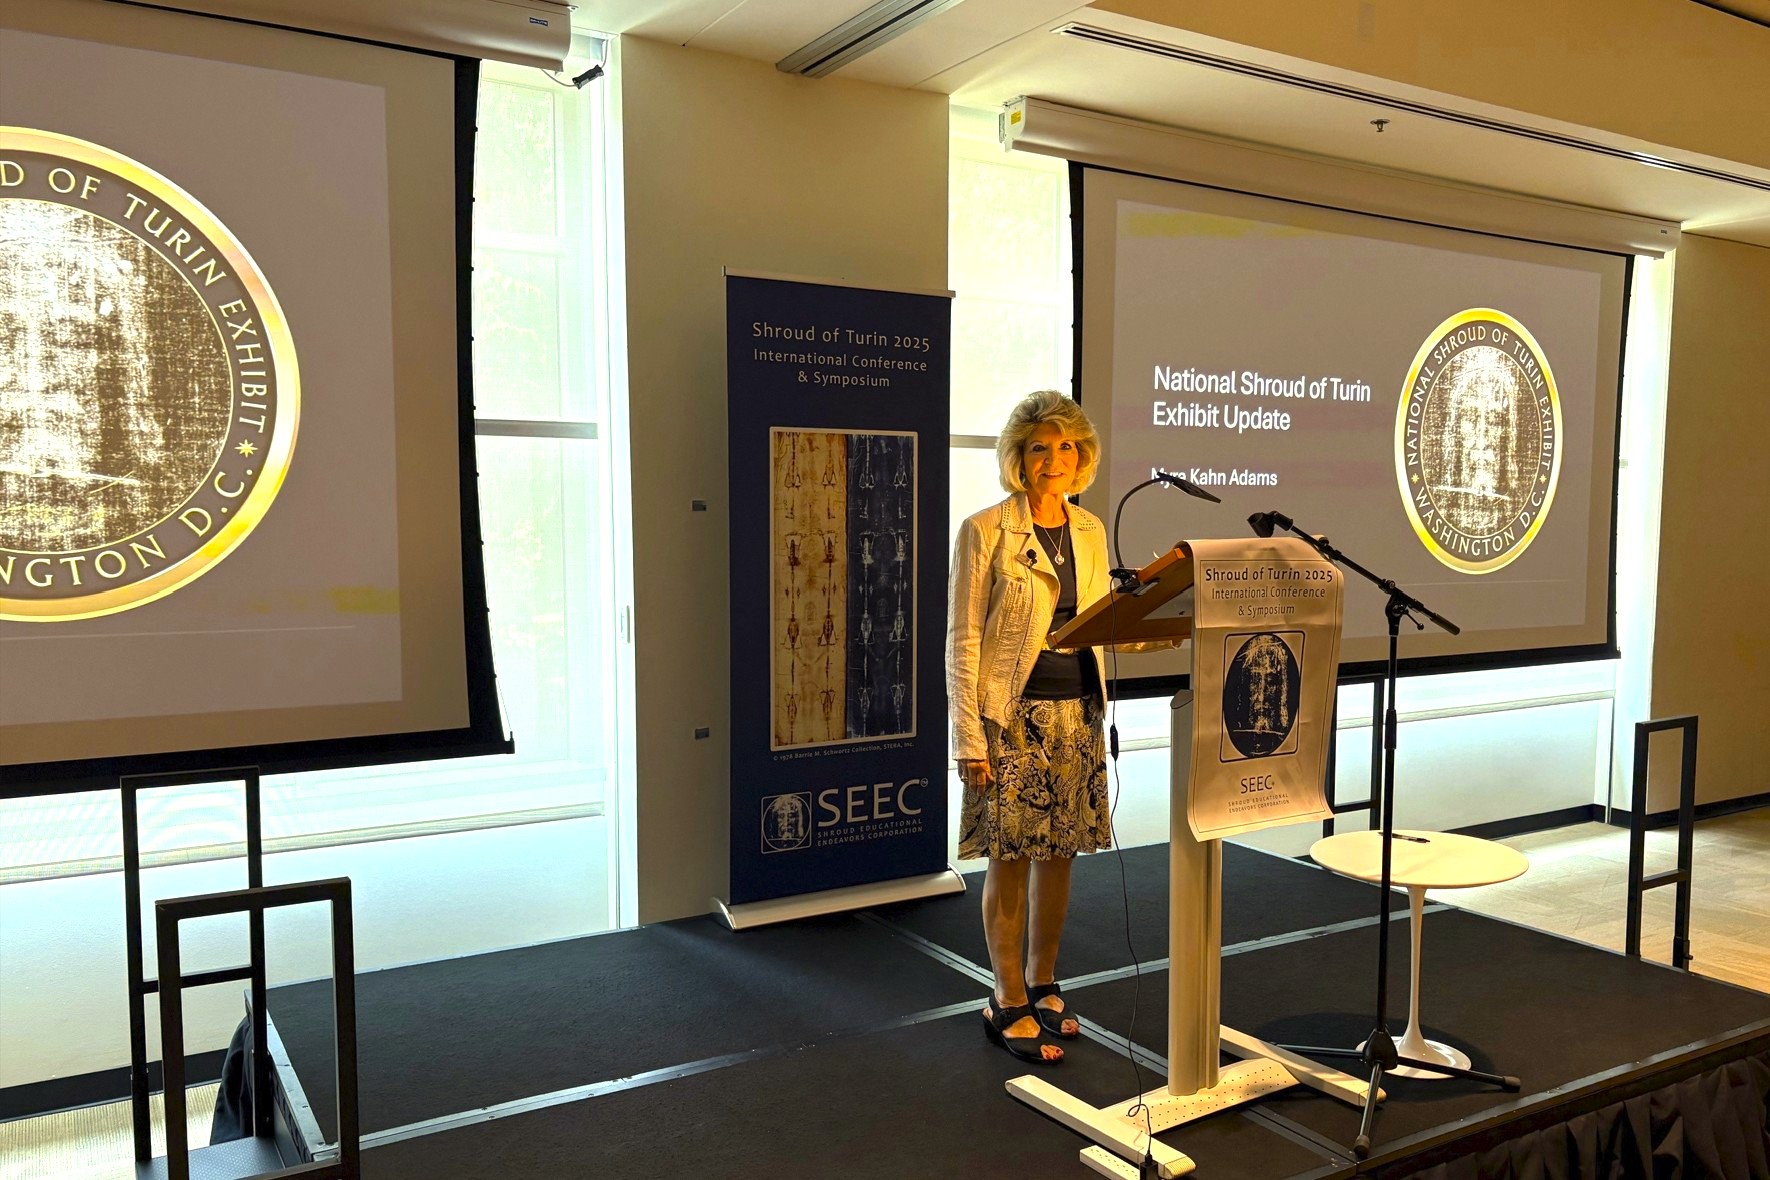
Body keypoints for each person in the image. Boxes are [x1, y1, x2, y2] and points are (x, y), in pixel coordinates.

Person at [946, 389, 1119, 1065]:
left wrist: (1162, 622)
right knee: (1010, 859)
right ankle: (1007, 996)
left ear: (1082, 457)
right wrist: (969, 739)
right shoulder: (985, 529)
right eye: (1040, 447)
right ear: (1018, 457)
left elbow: (1098, 621)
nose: (1054, 458)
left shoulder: (1090, 529)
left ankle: (1044, 981)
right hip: (1010, 720)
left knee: (1060, 855)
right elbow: (964, 641)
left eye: (1066, 446)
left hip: (1077, 714)